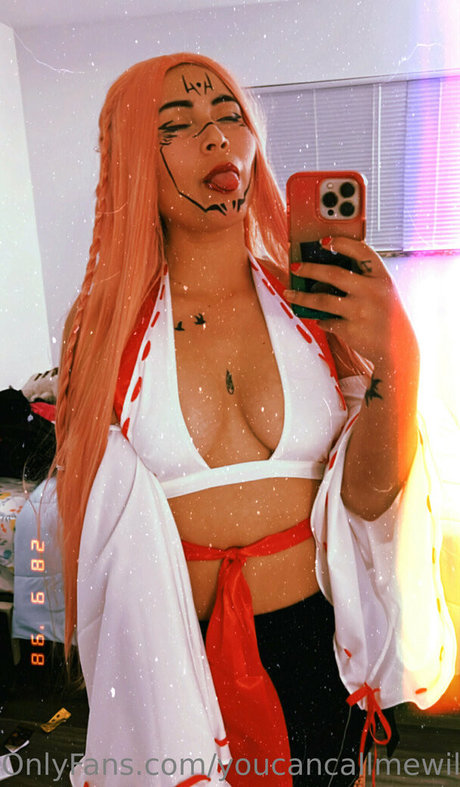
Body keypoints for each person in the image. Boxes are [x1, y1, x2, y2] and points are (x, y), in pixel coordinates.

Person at [55, 53, 455, 787]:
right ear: (132, 159)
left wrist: (399, 360)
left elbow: (369, 503)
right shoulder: (106, 331)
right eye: (176, 126)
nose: (216, 138)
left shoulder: (312, 307)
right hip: (176, 663)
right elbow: (95, 530)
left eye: (229, 116)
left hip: (315, 648)